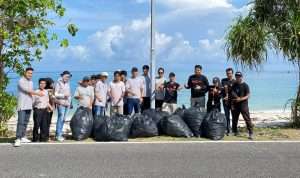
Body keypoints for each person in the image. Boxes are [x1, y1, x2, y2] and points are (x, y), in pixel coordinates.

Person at [14, 67, 44, 147]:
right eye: (29, 73)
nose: (30, 75)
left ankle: (23, 136)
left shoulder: (31, 82)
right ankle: (18, 139)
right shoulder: (21, 81)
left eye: (31, 73)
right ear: (25, 72)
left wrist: (33, 102)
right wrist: (38, 94)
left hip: (28, 105)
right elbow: (28, 91)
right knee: (20, 122)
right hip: (22, 105)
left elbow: (31, 94)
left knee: (25, 122)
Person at [231, 72, 254, 140]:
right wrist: (236, 98)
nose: (238, 78)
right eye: (237, 77)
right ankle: (234, 131)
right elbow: (232, 92)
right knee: (234, 119)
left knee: (247, 119)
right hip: (235, 105)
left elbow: (248, 95)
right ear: (235, 77)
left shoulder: (245, 85)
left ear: (242, 77)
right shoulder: (234, 85)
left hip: (244, 105)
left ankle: (251, 133)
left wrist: (240, 99)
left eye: (239, 76)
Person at [54, 71, 72, 142]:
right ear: (63, 76)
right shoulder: (58, 83)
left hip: (67, 104)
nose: (68, 78)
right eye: (67, 76)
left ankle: (59, 134)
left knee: (64, 119)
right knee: (60, 119)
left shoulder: (68, 83)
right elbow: (55, 94)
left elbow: (69, 93)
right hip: (61, 103)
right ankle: (58, 135)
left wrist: (70, 103)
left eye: (69, 77)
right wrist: (64, 96)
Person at [221, 68, 235, 135]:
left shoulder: (235, 82)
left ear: (232, 74)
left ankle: (234, 129)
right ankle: (228, 129)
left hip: (232, 102)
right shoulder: (223, 80)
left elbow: (235, 92)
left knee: (234, 116)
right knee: (227, 116)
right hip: (225, 101)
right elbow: (221, 90)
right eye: (227, 73)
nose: (228, 74)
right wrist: (222, 97)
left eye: (230, 73)